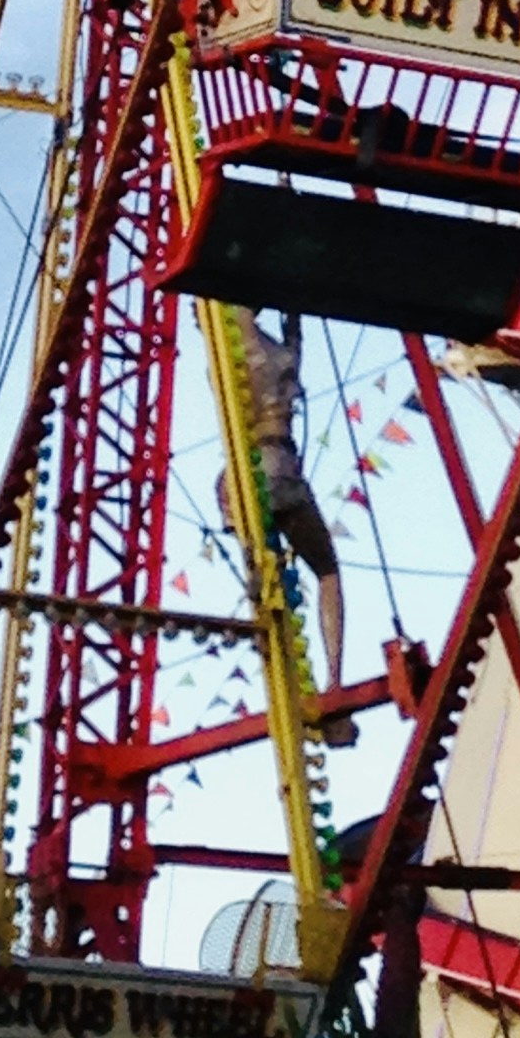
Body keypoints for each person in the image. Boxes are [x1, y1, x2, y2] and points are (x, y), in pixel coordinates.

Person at [217, 309, 351, 729]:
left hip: (243, 476)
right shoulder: (285, 355)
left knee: (267, 574)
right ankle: (333, 676)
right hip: (281, 467)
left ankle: (256, 568)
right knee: (327, 571)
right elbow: (295, 332)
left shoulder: (238, 350)